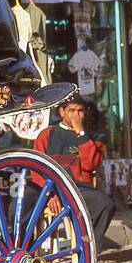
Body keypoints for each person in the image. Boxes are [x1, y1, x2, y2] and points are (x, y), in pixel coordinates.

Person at [34, 98, 115, 250]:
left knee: (105, 204)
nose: (76, 115)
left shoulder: (92, 137)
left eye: (80, 111)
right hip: (47, 188)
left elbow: (91, 164)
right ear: (62, 112)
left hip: (77, 188)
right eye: (72, 111)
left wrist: (81, 133)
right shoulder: (47, 134)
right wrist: (50, 193)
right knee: (20, 203)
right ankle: (17, 255)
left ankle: (86, 253)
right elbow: (36, 166)